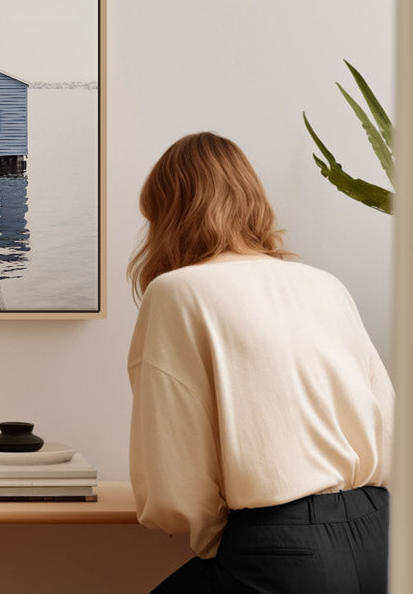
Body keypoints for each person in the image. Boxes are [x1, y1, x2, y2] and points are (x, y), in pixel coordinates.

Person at [127, 132, 394, 593]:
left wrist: (219, 541)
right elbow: (388, 423)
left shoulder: (177, 292)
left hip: (281, 550)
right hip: (380, 539)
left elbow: (175, 480)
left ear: (166, 214)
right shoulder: (324, 284)